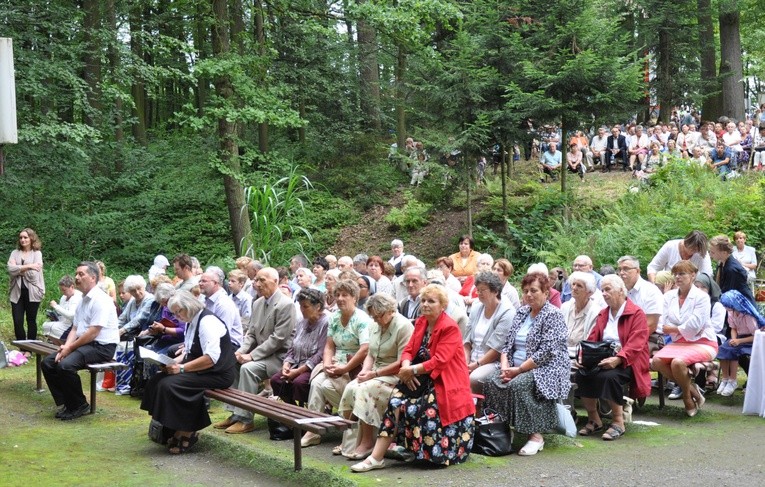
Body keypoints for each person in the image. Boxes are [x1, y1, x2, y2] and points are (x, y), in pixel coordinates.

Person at [350, 284, 475, 472]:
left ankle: (426, 451)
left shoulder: (450, 327)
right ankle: (376, 458)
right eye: (423, 300)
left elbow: (440, 361)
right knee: (394, 403)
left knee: (426, 408)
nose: (425, 304)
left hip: (445, 381)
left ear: (442, 305)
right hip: (419, 377)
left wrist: (412, 370)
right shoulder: (421, 322)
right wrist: (406, 367)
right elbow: (409, 349)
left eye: (431, 301)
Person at [483, 272, 570, 456]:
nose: (529, 295)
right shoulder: (522, 312)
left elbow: (546, 352)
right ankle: (503, 430)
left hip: (546, 368)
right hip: (516, 366)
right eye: (525, 291)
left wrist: (519, 370)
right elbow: (507, 345)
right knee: (492, 381)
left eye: (534, 290)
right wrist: (506, 367)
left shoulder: (553, 315)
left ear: (546, 292)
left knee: (519, 384)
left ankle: (535, 436)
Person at [141, 290, 236, 453]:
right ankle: (171, 427)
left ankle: (187, 430)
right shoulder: (192, 321)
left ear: (189, 306)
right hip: (202, 370)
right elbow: (189, 352)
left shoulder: (207, 322)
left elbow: (211, 358)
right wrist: (169, 363)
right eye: (174, 313)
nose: (177, 316)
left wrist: (181, 368)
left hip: (218, 373)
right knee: (158, 380)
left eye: (179, 311)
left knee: (171, 385)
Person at [214, 267, 296, 434]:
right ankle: (235, 413)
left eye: (262, 280)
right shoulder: (257, 302)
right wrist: (240, 352)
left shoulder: (286, 304)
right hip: (261, 354)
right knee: (232, 362)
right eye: (256, 280)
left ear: (276, 281)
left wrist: (251, 356)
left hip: (280, 358)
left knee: (248, 369)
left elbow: (278, 339)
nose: (257, 284)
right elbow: (251, 333)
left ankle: (246, 419)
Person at [338, 293, 414, 459]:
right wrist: (365, 371)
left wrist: (374, 374)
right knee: (351, 387)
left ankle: (367, 442)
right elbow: (371, 354)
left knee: (365, 389)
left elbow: (403, 362)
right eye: (373, 317)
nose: (375, 320)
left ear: (389, 311)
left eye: (378, 316)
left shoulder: (403, 326)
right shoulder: (375, 325)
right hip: (375, 372)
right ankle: (349, 441)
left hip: (395, 376)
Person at [575, 275, 650, 441]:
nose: (604, 293)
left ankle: (618, 422)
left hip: (628, 361)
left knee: (609, 376)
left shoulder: (636, 313)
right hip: (604, 358)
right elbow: (593, 338)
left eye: (608, 289)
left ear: (621, 291)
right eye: (602, 290)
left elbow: (636, 343)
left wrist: (618, 359)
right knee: (582, 374)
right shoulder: (603, 314)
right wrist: (584, 358)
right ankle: (594, 419)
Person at [42, 262, 119, 420]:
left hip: (102, 347)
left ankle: (79, 405)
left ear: (93, 277)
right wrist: (66, 346)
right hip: (86, 343)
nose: (76, 277)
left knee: (65, 365)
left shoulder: (101, 300)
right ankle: (67, 403)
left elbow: (93, 332)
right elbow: (75, 329)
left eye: (81, 274)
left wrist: (69, 349)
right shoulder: (82, 300)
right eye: (76, 274)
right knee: (48, 363)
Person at [301, 279, 371, 448]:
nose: (340, 298)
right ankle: (313, 430)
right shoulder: (334, 318)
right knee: (317, 383)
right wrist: (326, 364)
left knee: (326, 387)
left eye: (345, 295)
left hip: (354, 365)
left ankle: (349, 426)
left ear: (354, 297)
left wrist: (345, 368)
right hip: (335, 362)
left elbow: (365, 349)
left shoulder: (361, 319)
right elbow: (329, 345)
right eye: (337, 294)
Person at [651, 261, 718, 416]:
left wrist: (675, 328)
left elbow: (695, 325)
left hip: (703, 342)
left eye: (682, 273)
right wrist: (679, 328)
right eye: (675, 274)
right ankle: (693, 391)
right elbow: (664, 323)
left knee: (677, 362)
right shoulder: (668, 297)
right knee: (657, 361)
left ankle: (687, 398)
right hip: (679, 342)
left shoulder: (702, 297)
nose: (677, 277)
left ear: (693, 275)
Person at [269, 288, 329, 406]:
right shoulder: (302, 321)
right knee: (276, 380)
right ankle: (291, 409)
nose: (301, 310)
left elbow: (320, 353)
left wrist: (298, 371)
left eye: (305, 307)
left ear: (317, 306)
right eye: (300, 306)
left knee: (299, 383)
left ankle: (305, 413)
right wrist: (287, 364)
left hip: (314, 367)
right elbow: (292, 346)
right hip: (296, 363)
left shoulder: (326, 323)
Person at [463, 272, 515, 394]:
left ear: (495, 291)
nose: (478, 293)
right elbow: (467, 340)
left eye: (483, 290)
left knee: (474, 378)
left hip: (492, 362)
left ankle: (476, 410)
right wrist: (465, 362)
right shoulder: (476, 308)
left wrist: (475, 365)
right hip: (472, 358)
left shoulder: (507, 312)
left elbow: (497, 349)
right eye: (478, 290)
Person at [716, 290, 765, 396]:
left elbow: (756, 335)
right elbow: (733, 328)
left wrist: (739, 341)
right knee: (724, 348)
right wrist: (734, 340)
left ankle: (733, 380)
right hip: (739, 338)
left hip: (753, 340)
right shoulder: (731, 312)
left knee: (734, 352)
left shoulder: (747, 315)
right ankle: (725, 379)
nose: (724, 307)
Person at [8, 228, 45, 341]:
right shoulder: (15, 253)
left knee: (31, 320)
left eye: (25, 237)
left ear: (31, 238)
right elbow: (10, 270)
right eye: (21, 237)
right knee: (17, 320)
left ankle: (30, 347)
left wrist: (18, 269)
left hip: (33, 292)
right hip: (17, 291)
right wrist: (29, 266)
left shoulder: (37, 253)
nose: (23, 240)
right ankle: (22, 347)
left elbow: (34, 275)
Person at [560, 271, 601, 360]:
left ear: (589, 292)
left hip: (580, 358)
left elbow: (589, 344)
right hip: (559, 356)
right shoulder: (565, 307)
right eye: (573, 284)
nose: (574, 288)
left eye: (579, 286)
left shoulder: (596, 312)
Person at [199, 267, 243, 348]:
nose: (200, 284)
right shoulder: (203, 299)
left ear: (215, 283)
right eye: (200, 281)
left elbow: (222, 334)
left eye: (204, 281)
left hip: (228, 345)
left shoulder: (224, 303)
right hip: (209, 340)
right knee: (175, 351)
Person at [646, 230, 713, 282]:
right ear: (686, 243)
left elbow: (707, 275)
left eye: (698, 250)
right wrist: (654, 286)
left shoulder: (702, 252)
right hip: (669, 283)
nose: (695, 252)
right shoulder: (670, 246)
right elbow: (653, 268)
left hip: (692, 286)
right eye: (693, 249)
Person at [709, 234, 755, 304]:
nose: (710, 254)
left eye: (713, 252)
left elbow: (726, 296)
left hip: (743, 307)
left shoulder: (731, 270)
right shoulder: (722, 263)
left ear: (724, 253)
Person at [43, 275, 82, 346]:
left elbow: (71, 315)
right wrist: (54, 315)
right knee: (46, 326)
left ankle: (64, 347)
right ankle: (58, 346)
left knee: (53, 328)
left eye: (64, 290)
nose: (62, 292)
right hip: (63, 322)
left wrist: (56, 307)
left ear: (72, 287)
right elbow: (61, 312)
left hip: (73, 325)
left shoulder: (77, 297)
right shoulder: (63, 297)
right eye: (61, 290)